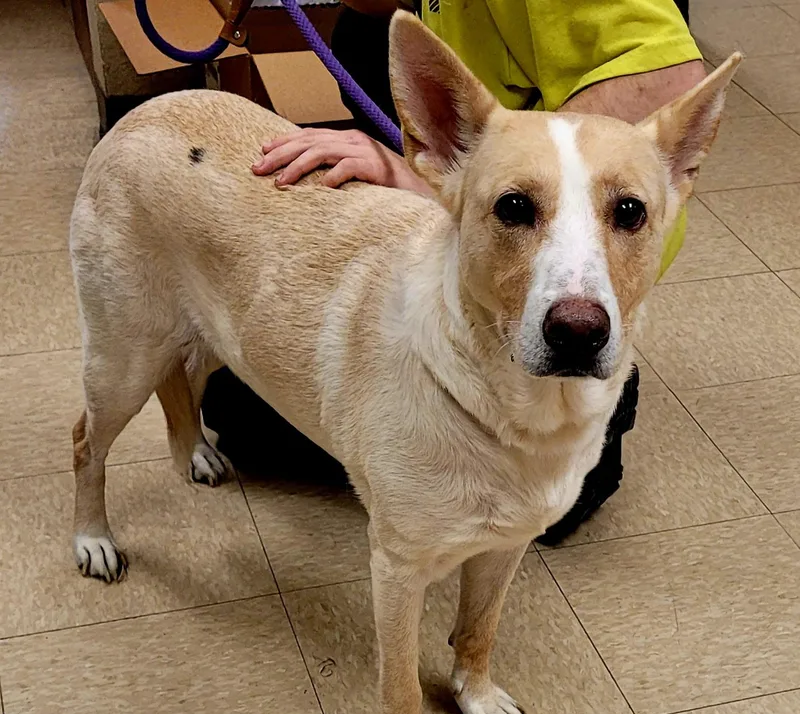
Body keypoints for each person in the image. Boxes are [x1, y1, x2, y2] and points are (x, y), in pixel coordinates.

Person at [203, 0, 703, 543]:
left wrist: (446, 178)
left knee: (542, 508)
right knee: (235, 412)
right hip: (482, 306)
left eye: (627, 213)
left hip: (557, 326)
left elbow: (673, 78)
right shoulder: (395, 24)